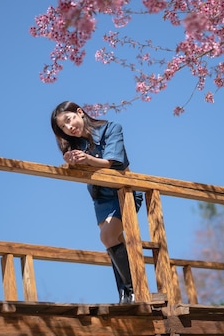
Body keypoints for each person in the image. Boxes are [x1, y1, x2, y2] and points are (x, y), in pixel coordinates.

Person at [50, 100, 143, 304]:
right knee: (111, 240)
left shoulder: (111, 128)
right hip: (101, 197)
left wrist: (87, 159)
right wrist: (72, 162)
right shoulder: (76, 146)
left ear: (80, 112)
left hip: (124, 191)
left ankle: (135, 289)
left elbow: (111, 163)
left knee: (107, 236)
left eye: (69, 120)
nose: (69, 127)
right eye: (63, 127)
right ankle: (125, 295)